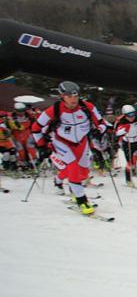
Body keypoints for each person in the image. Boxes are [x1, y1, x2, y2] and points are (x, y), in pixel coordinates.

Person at [31, 81, 107, 215]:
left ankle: (72, 190)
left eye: (76, 96)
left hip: (82, 143)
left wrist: (99, 130)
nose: (73, 100)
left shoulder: (87, 107)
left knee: (83, 173)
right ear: (62, 96)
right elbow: (36, 128)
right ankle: (82, 201)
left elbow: (102, 123)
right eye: (69, 96)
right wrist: (42, 146)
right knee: (73, 167)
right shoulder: (53, 110)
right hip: (62, 142)